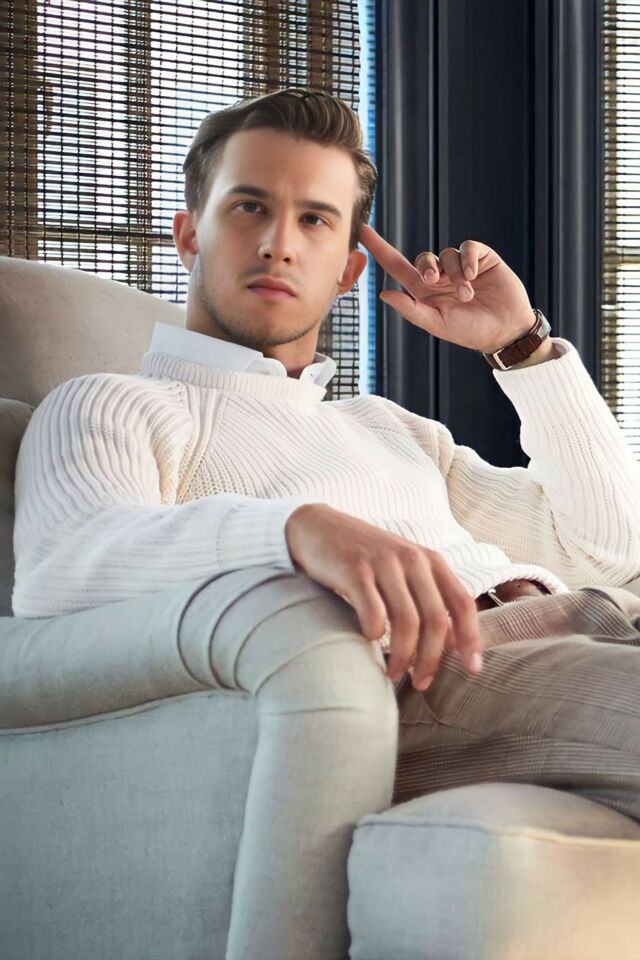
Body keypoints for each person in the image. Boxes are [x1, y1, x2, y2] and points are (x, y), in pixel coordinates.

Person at [11, 86, 640, 958]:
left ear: (348, 269)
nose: (279, 242)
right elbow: (66, 565)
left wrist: (523, 347)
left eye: (314, 220)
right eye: (249, 208)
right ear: (189, 233)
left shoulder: (388, 428)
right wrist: (295, 531)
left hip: (595, 625)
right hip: (439, 672)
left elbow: (605, 550)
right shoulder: (111, 403)